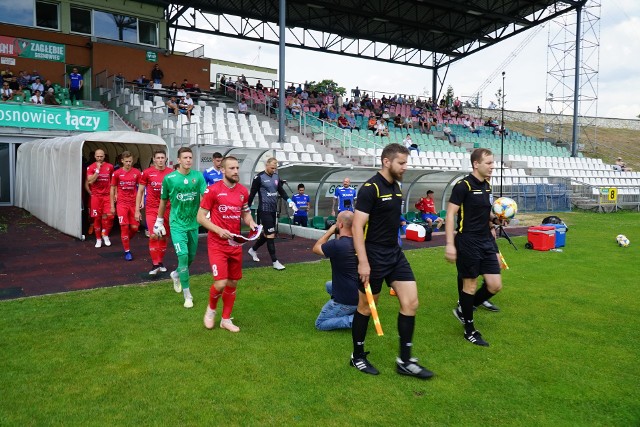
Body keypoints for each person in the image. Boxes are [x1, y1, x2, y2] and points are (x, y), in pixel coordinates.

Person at [350, 143, 434, 379]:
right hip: (373, 255)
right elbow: (357, 227)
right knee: (365, 307)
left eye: (406, 163)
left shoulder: (396, 187)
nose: (405, 167)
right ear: (387, 162)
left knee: (411, 303)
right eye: (402, 163)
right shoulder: (370, 188)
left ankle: (405, 361)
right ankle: (357, 356)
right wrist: (363, 262)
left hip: (394, 253)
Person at [445, 148, 504, 347]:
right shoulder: (463, 186)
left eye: (493, 163)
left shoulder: (487, 185)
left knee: (494, 285)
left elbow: (485, 212)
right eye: (488, 163)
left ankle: (464, 308)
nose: (492, 166)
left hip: (486, 240)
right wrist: (449, 244)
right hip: (468, 241)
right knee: (469, 286)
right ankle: (469, 330)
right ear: (476, 164)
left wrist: (496, 219)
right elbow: (450, 214)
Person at [198, 156, 259, 333]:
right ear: (223, 170)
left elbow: (245, 214)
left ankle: (225, 319)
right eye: (232, 168)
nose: (236, 171)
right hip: (217, 244)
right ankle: (211, 310)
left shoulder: (242, 191)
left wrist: (252, 223)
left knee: (232, 283)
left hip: (235, 244)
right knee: (220, 283)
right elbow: (200, 217)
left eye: (237, 168)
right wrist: (217, 230)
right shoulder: (213, 191)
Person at [155, 147, 207, 308]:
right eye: (185, 157)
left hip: (193, 224)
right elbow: (163, 201)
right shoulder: (169, 178)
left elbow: (205, 196)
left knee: (190, 257)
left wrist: (208, 213)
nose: (188, 160)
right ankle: (187, 295)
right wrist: (159, 221)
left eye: (190, 157)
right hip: (177, 224)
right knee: (183, 256)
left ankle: (176, 274)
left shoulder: (198, 176)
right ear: (178, 160)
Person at [312, 211, 359, 331]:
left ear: (341, 225)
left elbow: (316, 248)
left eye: (337, 222)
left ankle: (355, 320)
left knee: (320, 324)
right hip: (360, 294)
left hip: (347, 300)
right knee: (329, 285)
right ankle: (357, 311)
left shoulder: (336, 246)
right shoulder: (359, 243)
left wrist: (330, 231)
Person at [247, 157, 289, 270]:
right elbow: (252, 194)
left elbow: (281, 190)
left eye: (275, 168)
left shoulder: (276, 176)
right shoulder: (259, 177)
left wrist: (289, 200)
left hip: (273, 209)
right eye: (272, 168)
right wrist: (247, 208)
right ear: (267, 165)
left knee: (267, 234)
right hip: (264, 209)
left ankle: (253, 250)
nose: (273, 170)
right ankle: (275, 261)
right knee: (271, 234)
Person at [136, 150, 173, 274]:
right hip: (152, 209)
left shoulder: (171, 173)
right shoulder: (147, 173)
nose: (161, 160)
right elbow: (140, 191)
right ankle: (155, 264)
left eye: (163, 157)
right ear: (154, 159)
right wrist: (137, 210)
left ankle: (160, 262)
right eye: (158, 158)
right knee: (153, 235)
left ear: (165, 159)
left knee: (163, 236)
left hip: (167, 209)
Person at [110, 151, 141, 261]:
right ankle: (127, 251)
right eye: (126, 161)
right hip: (122, 204)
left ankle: (125, 238)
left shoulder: (136, 172)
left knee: (134, 227)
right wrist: (112, 206)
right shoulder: (117, 173)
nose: (128, 163)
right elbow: (112, 188)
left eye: (130, 161)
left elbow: (141, 188)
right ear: (122, 161)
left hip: (133, 203)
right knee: (124, 226)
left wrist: (141, 200)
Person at [87, 149, 115, 248]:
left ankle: (105, 234)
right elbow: (90, 181)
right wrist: (97, 171)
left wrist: (115, 193)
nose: (99, 158)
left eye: (101, 156)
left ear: (104, 156)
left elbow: (113, 181)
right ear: (95, 156)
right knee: (97, 218)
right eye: (98, 156)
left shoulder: (110, 167)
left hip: (107, 195)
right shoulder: (91, 167)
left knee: (109, 216)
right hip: (96, 196)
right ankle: (98, 239)